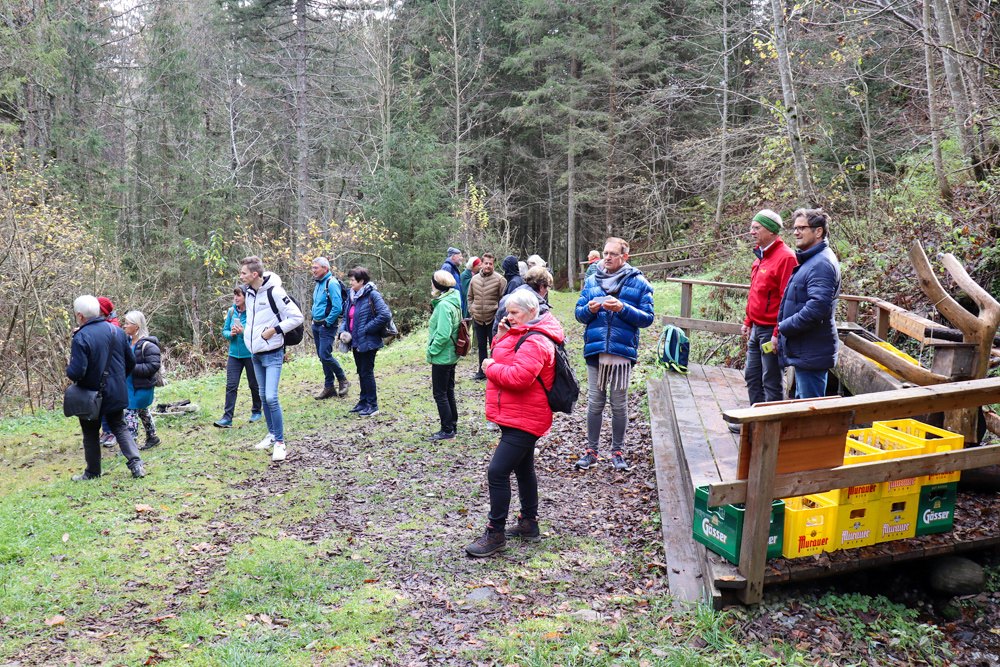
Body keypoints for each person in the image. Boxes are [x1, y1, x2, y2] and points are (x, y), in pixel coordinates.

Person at [465, 289, 565, 558]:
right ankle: (529, 523)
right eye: (507, 312)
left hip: (526, 417)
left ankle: (495, 533)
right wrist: (501, 336)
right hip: (517, 414)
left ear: (532, 311)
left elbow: (519, 377)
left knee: (497, 472)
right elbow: (505, 357)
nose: (509, 316)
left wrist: (488, 368)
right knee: (523, 469)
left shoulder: (536, 340)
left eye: (514, 312)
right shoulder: (523, 332)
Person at [574, 237, 654, 472]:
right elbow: (579, 314)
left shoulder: (639, 282)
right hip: (596, 350)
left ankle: (617, 452)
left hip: (621, 353)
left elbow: (647, 318)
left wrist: (622, 308)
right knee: (594, 403)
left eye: (613, 254)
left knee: (618, 405)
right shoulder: (592, 281)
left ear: (624, 257)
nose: (607, 257)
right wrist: (589, 310)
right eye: (605, 253)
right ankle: (591, 451)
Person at [66, 295, 146, 480]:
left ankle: (92, 473)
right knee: (119, 426)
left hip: (90, 395)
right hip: (116, 390)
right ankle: (136, 464)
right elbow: (131, 362)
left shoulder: (81, 336)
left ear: (80, 315)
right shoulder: (116, 331)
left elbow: (76, 372)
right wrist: (117, 380)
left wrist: (68, 369)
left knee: (90, 433)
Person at [773, 208, 841, 399]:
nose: (796, 232)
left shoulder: (821, 264)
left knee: (811, 409)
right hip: (806, 350)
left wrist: (784, 327)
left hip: (812, 351)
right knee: (803, 406)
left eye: (802, 228)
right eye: (795, 228)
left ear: (818, 231)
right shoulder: (811, 260)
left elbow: (817, 308)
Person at [241, 255, 304, 462]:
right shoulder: (249, 293)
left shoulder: (275, 291)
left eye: (243, 273)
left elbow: (297, 317)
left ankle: (280, 443)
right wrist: (246, 333)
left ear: (254, 274)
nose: (240, 276)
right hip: (255, 353)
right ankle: (271, 434)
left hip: (273, 353)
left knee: (271, 397)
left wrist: (275, 330)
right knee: (262, 396)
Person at [739, 210, 798, 412]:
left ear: (771, 231)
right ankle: (755, 420)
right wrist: (748, 320)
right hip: (756, 328)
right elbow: (756, 292)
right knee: (752, 375)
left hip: (771, 331)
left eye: (757, 228)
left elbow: (787, 301)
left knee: (771, 379)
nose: (752, 232)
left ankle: (772, 423)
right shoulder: (760, 256)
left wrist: (777, 332)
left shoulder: (786, 258)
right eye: (752, 227)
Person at [338, 266, 392, 417]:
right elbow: (346, 317)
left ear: (362, 281)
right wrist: (343, 331)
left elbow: (385, 315)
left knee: (367, 372)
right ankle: (363, 402)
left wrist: (366, 329)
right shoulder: (352, 296)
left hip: (368, 341)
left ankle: (372, 405)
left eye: (353, 280)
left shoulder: (372, 294)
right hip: (355, 341)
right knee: (361, 372)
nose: (350, 283)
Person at [214, 286, 263, 427]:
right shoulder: (231, 311)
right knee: (231, 386)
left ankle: (257, 411)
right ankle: (227, 418)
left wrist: (243, 332)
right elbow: (225, 331)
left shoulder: (253, 312)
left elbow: (256, 332)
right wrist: (231, 334)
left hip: (250, 353)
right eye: (235, 295)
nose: (236, 298)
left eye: (239, 295)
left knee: (253, 384)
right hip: (234, 355)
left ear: (246, 297)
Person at [426, 270, 462, 440]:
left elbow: (443, 334)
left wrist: (432, 350)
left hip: (443, 356)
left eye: (432, 282)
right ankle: (452, 425)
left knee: (440, 393)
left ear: (437, 285)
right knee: (448, 391)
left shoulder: (443, 305)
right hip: (450, 354)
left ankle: (447, 429)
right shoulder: (453, 299)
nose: (431, 284)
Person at [310, 257, 350, 400]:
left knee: (325, 355)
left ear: (325, 268)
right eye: (312, 268)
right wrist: (313, 319)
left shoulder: (331, 283)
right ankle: (329, 387)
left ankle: (343, 379)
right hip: (316, 325)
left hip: (327, 326)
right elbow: (317, 304)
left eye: (316, 268)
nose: (313, 270)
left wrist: (327, 322)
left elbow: (337, 307)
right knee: (322, 357)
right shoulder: (318, 283)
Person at [122, 310, 161, 451]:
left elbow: (153, 366)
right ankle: (153, 437)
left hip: (141, 387)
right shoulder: (126, 342)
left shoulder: (148, 345)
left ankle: (130, 446)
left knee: (130, 412)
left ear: (136, 326)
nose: (124, 326)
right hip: (129, 386)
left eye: (127, 323)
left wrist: (131, 367)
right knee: (142, 411)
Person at [468, 253, 507, 381]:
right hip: (478, 318)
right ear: (481, 264)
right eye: (486, 263)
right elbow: (470, 297)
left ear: (493, 265)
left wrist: (497, 316)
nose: (488, 266)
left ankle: (494, 372)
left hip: (493, 319)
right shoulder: (474, 280)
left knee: (495, 346)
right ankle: (481, 372)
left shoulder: (500, 280)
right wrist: (472, 312)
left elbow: (503, 300)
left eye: (490, 264)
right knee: (481, 346)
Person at [493, 266, 553, 338]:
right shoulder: (541, 307)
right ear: (542, 287)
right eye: (548, 287)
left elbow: (496, 331)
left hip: (503, 343)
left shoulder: (506, 299)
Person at [97, 297, 120, 448]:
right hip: (103, 370)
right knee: (102, 403)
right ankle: (106, 431)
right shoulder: (103, 324)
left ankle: (112, 432)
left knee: (110, 403)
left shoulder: (112, 327)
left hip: (110, 371)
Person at [441, 247, 465, 315]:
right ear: (453, 257)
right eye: (460, 256)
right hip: (451, 305)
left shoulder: (454, 268)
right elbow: (443, 286)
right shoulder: (447, 267)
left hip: (456, 304)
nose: (462, 258)